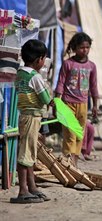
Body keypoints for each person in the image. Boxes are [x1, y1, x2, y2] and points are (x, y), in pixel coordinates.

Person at [11, 40, 53, 204]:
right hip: (32, 117)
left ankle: (32, 187)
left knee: (29, 153)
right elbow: (44, 97)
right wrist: (51, 101)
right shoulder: (35, 76)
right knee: (25, 155)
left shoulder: (20, 73)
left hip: (24, 116)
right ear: (39, 60)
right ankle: (23, 190)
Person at [54, 32, 99, 166]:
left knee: (79, 135)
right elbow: (60, 83)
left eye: (87, 47)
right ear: (74, 48)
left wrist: (95, 105)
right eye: (81, 47)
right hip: (68, 103)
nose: (84, 50)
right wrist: (57, 102)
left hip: (83, 105)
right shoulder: (68, 64)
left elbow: (94, 86)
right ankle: (67, 163)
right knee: (69, 135)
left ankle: (74, 164)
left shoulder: (92, 66)